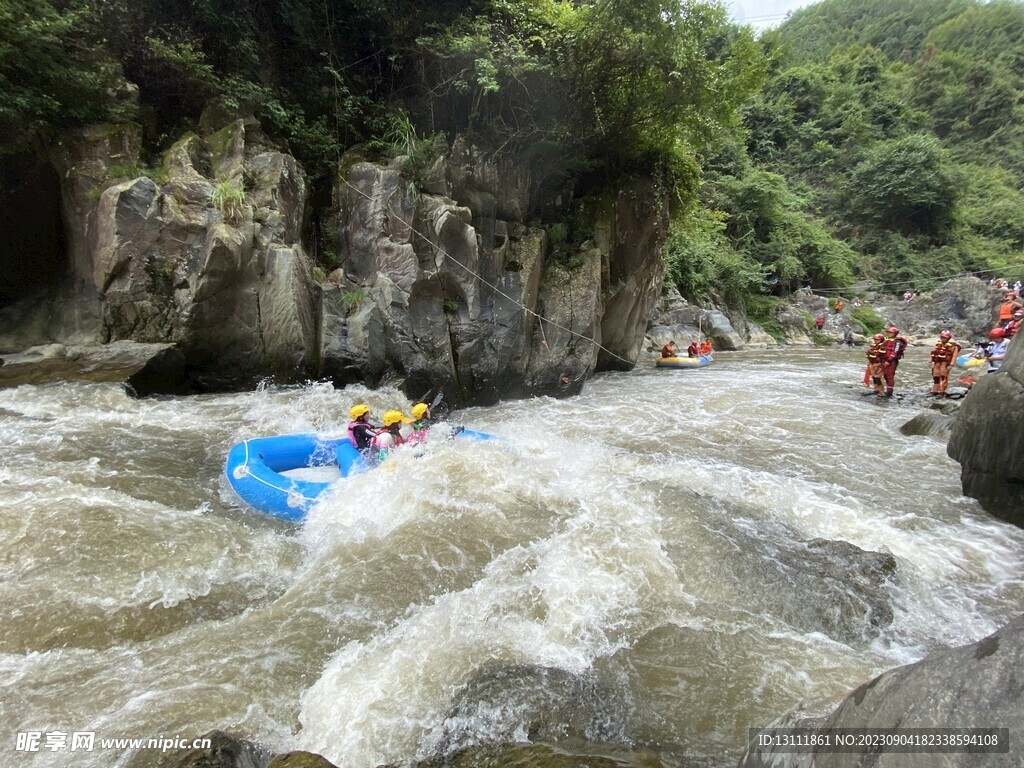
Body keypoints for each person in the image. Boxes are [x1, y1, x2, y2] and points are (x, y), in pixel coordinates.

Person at [928, 330, 961, 397]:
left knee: (944, 378)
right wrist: (930, 361)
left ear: (948, 338)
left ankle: (942, 392)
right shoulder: (938, 345)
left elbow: (954, 356)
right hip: (937, 363)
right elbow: (933, 354)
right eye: (942, 337)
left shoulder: (953, 347)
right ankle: (935, 391)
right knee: (936, 378)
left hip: (945, 364)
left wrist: (951, 365)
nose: (943, 339)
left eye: (945, 337)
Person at [880, 326, 908, 397]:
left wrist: (889, 360)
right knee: (885, 375)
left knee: (890, 376)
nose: (889, 334)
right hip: (884, 360)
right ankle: (887, 390)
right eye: (888, 332)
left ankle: (889, 392)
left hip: (892, 361)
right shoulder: (887, 341)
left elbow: (895, 352)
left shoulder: (897, 342)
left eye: (891, 332)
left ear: (895, 333)